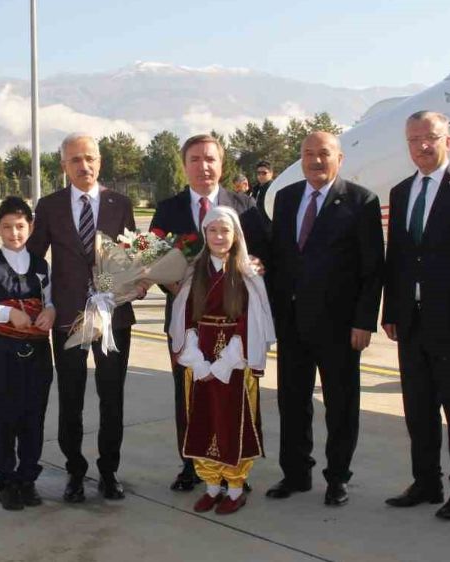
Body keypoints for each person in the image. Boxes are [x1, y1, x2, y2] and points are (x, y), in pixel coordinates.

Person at [266, 131, 384, 506]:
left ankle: (337, 478)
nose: (316, 161)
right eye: (309, 154)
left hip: (340, 327)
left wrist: (364, 322)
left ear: (340, 159)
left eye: (324, 154)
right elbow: (280, 258)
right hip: (292, 322)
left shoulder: (360, 201)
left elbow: (372, 269)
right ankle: (296, 474)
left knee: (341, 405)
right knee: (292, 401)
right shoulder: (285, 199)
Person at [381, 111, 450, 519]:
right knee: (418, 408)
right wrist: (392, 309)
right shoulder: (402, 191)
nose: (422, 146)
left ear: (449, 140)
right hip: (412, 320)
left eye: (431, 137)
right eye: (414, 140)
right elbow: (400, 257)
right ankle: (426, 481)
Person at [149, 134, 270, 491]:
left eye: (211, 159)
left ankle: (235, 466)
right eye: (195, 159)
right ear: (184, 165)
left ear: (222, 164)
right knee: (189, 393)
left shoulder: (246, 206)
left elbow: (265, 252)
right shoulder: (168, 209)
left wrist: (259, 265)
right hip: (189, 323)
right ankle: (192, 465)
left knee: (235, 395)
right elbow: (149, 257)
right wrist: (171, 285)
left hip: (235, 325)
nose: (203, 166)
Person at [28, 132, 139, 503]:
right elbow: (33, 260)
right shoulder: (50, 206)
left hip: (113, 319)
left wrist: (135, 284)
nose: (84, 165)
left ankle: (109, 472)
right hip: (68, 320)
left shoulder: (119, 203)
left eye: (89, 158)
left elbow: (132, 256)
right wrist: (43, 301)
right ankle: (75, 472)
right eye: (75, 160)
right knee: (71, 398)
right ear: (63, 166)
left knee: (112, 398)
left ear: (100, 161)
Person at [169, 206, 275, 515]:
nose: (218, 236)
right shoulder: (194, 271)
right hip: (200, 358)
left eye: (224, 230)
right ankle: (212, 485)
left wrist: (227, 361)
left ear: (236, 235)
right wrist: (197, 361)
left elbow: (249, 321)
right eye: (212, 230)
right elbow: (186, 318)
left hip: (234, 362)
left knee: (233, 423)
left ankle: (236, 487)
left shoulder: (246, 272)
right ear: (204, 234)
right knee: (203, 421)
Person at [0, 196, 55, 511]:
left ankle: (27, 479)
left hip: (37, 354)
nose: (14, 233)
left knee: (34, 418)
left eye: (20, 226)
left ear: (30, 228)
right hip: (2, 353)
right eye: (7, 227)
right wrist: (8, 314)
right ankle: (6, 481)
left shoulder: (41, 265)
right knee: (5, 418)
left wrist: (51, 312)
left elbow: (50, 300)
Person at [251, 160, 274, 229]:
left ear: (271, 173)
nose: (261, 175)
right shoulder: (256, 189)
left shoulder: (274, 189)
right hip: (257, 226)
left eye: (264, 173)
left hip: (269, 227)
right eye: (258, 173)